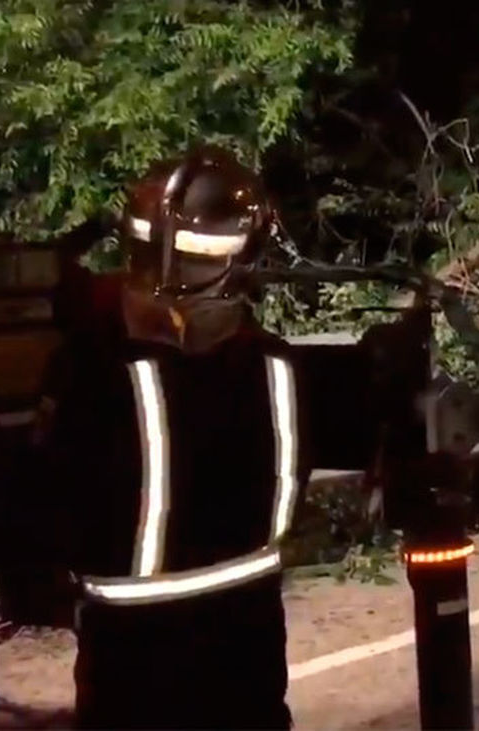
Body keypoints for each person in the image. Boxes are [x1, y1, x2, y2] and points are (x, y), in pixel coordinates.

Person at [41, 146, 306, 728]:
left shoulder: (93, 374)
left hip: (133, 664)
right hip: (248, 649)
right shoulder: (274, 367)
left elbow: (50, 506)